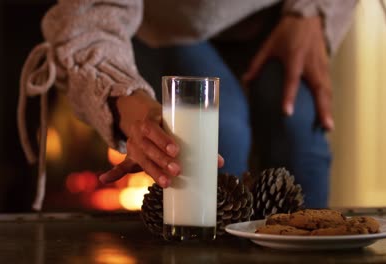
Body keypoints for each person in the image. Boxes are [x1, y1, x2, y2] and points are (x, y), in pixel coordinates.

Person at [18, 0, 357, 210]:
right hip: (164, 23)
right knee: (217, 137)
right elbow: (88, 22)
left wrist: (314, 11)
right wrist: (131, 106)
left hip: (283, 15)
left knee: (299, 134)